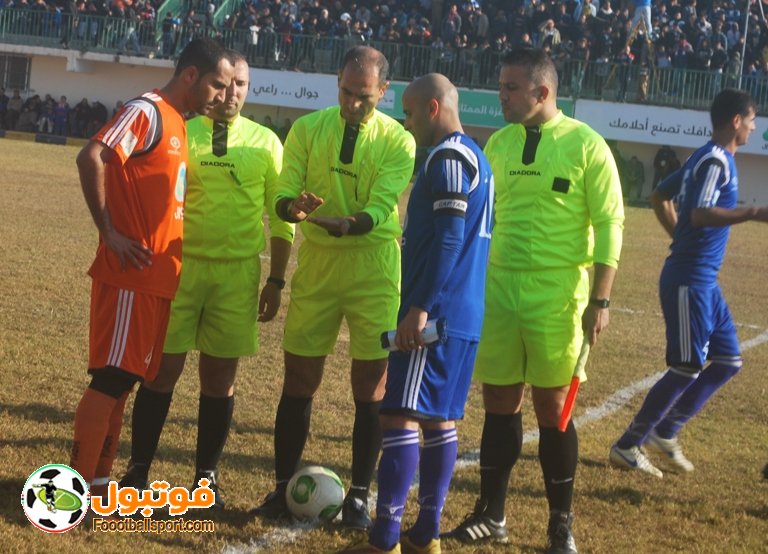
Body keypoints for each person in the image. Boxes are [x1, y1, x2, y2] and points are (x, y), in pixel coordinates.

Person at [446, 48, 624, 554]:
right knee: (499, 401)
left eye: (510, 88)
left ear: (542, 92)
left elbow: (611, 223)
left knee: (553, 407)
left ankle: (560, 524)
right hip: (499, 287)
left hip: (558, 293)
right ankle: (491, 514)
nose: (500, 96)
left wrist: (601, 300)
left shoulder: (587, 145)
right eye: (501, 86)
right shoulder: (498, 144)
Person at [251, 45, 415, 530]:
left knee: (371, 386)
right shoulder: (307, 129)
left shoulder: (399, 141)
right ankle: (283, 488)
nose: (353, 103)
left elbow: (383, 205)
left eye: (364, 96)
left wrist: (352, 224)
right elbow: (284, 190)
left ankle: (359, 497)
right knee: (299, 378)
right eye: (346, 92)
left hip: (374, 268)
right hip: (319, 265)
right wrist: (292, 208)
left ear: (384, 91)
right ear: (337, 83)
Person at [117, 53, 292, 506]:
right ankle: (138, 471)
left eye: (242, 85)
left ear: (250, 88)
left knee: (219, 378)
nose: (233, 93)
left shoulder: (266, 142)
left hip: (236, 274)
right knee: (161, 371)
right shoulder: (182, 130)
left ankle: (205, 480)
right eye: (227, 83)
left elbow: (281, 218)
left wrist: (276, 280)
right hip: (179, 268)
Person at [69, 38, 234, 499]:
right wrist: (108, 231)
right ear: (190, 76)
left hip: (156, 279)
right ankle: (72, 489)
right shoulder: (147, 111)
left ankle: (98, 483)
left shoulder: (179, 120)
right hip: (130, 276)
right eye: (217, 85)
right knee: (112, 378)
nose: (222, 96)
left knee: (125, 382)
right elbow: (92, 156)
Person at [341, 73, 494, 554]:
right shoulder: (477, 156)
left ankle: (385, 538)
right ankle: (425, 536)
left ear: (432, 109)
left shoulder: (448, 157)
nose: (405, 122)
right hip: (464, 311)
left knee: (399, 414)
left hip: (436, 312)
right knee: (437, 420)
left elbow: (450, 237)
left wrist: (421, 308)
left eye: (408, 113)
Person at [609, 89, 768, 477]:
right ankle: (628, 445)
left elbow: (659, 195)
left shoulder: (706, 157)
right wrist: (752, 211)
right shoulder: (714, 160)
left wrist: (677, 236)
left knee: (728, 360)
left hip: (704, 281)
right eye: (751, 120)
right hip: (690, 280)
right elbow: (698, 214)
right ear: (736, 120)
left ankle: (665, 431)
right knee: (686, 366)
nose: (753, 127)